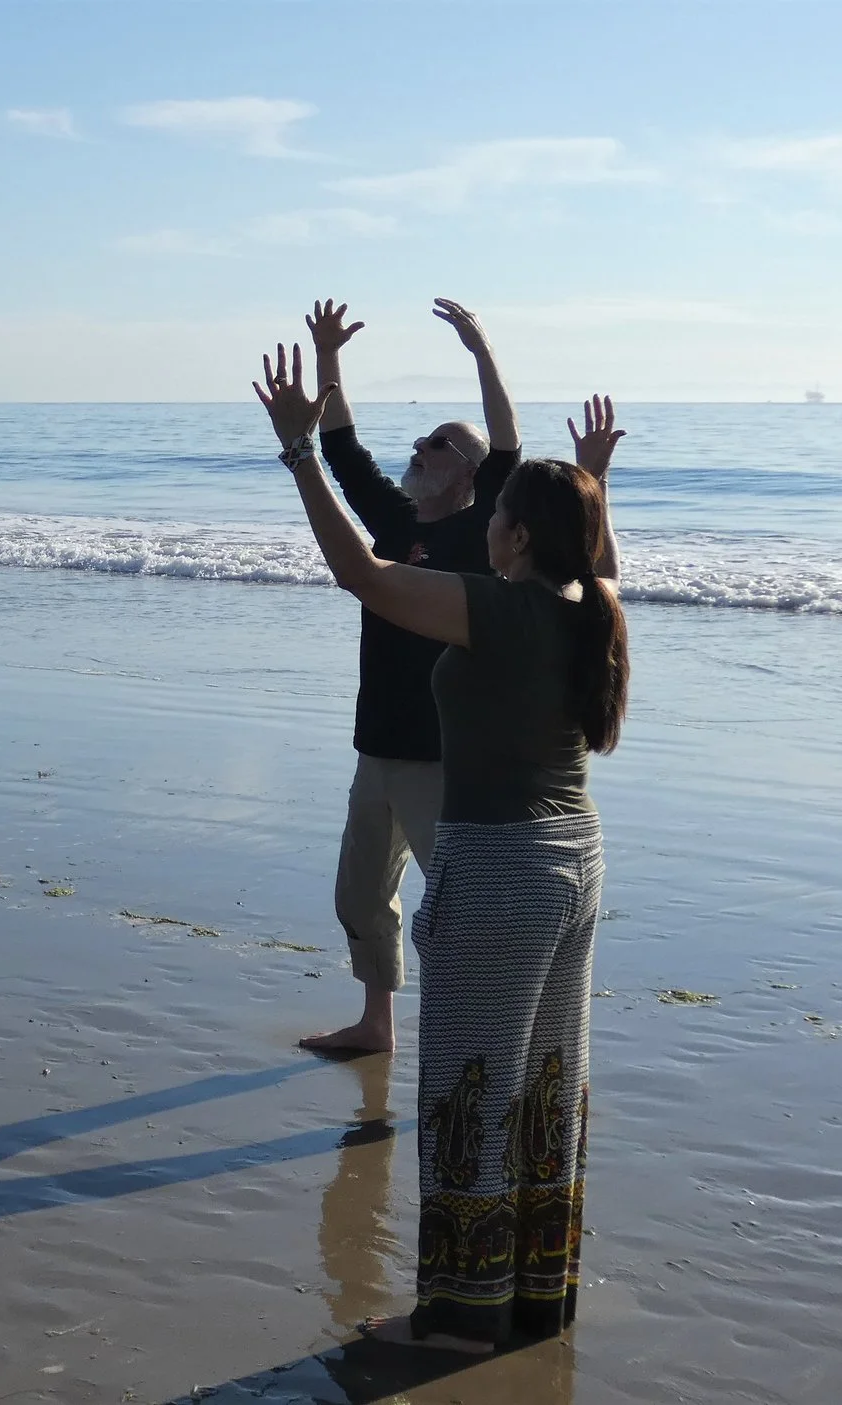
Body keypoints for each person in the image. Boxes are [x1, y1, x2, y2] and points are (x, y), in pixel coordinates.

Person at [256, 343, 628, 1352]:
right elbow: (595, 554)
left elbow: (357, 571)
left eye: (503, 518)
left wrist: (297, 453)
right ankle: (534, 1296)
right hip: (576, 864)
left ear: (509, 532)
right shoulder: (591, 601)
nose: (491, 527)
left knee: (467, 1085)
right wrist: (595, 478)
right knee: (544, 1083)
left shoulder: (498, 605)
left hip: (500, 868)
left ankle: (459, 1319)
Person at [298, 297, 526, 1055]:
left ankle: (478, 1037)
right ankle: (376, 1025)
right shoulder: (394, 525)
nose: (419, 450)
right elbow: (341, 449)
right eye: (422, 440)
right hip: (378, 745)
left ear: (466, 476)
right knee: (361, 897)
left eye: (437, 445)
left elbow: (507, 452)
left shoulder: (478, 534)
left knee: (456, 907)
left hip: (444, 756)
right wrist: (329, 358)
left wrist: (481, 350)